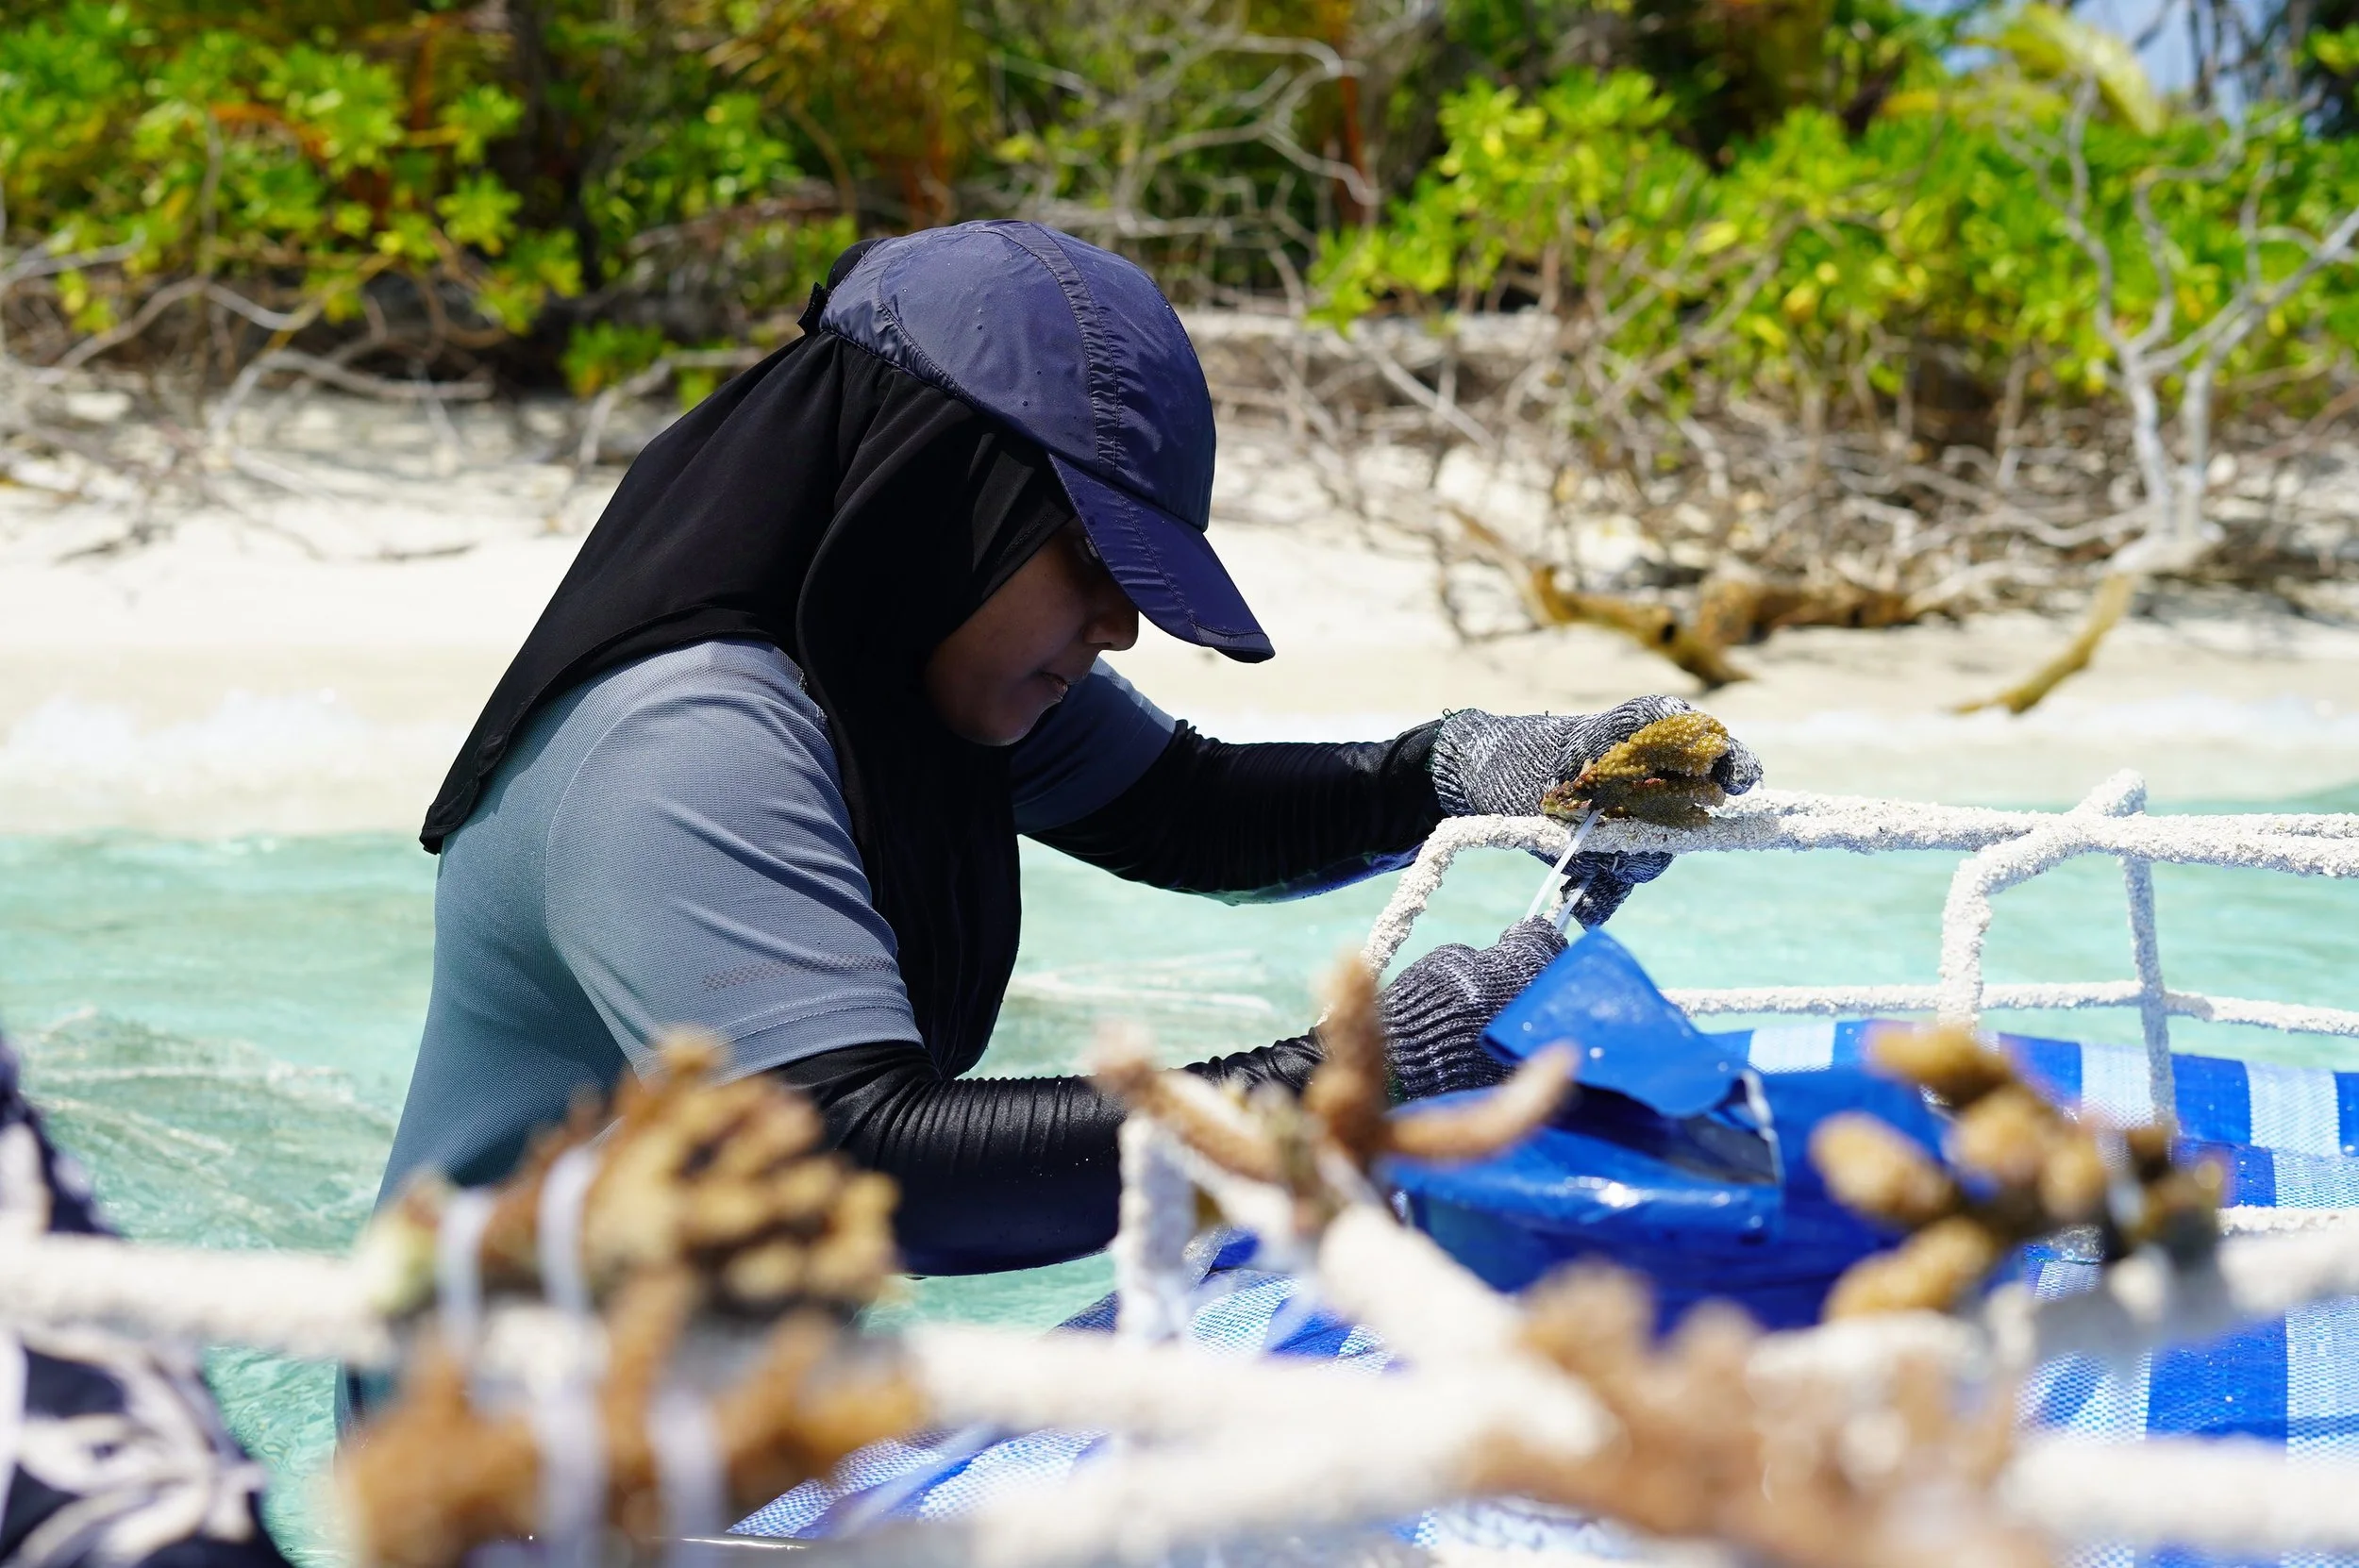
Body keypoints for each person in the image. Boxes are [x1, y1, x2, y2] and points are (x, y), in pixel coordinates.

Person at [389, 221, 1760, 1276]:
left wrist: (1467, 767)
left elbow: (1190, 809)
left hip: (722, 1411)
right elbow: (875, 1170)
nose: (1119, 626)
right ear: (934, 505)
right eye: (1089, 556)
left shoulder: (898, 671)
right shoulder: (683, 745)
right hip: (501, 1478)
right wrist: (1372, 1074)